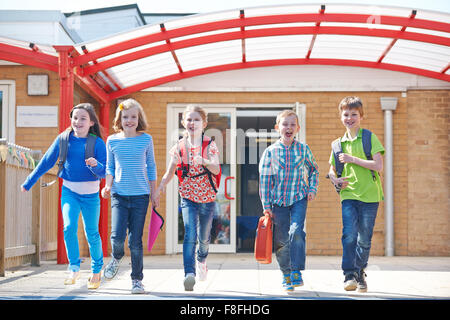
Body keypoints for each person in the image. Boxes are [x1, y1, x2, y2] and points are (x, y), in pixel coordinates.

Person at [21, 103, 106, 289]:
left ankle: (96, 271)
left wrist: (96, 166)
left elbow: (105, 172)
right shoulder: (63, 140)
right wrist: (29, 181)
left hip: (91, 195)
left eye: (83, 118)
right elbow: (45, 163)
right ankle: (74, 267)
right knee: (68, 227)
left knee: (91, 233)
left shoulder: (97, 143)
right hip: (70, 192)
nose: (77, 122)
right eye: (75, 118)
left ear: (91, 122)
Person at [155, 104, 220, 291]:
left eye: (196, 119)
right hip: (188, 197)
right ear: (184, 122)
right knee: (190, 234)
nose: (192, 123)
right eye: (189, 119)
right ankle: (189, 273)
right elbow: (169, 173)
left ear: (204, 123)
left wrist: (205, 161)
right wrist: (160, 186)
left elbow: (216, 168)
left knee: (204, 238)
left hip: (207, 197)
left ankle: (201, 260)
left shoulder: (209, 144)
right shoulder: (179, 147)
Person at [327, 96, 384, 293]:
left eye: (354, 114)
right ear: (341, 116)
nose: (349, 118)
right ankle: (349, 274)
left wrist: (353, 159)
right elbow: (332, 170)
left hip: (370, 196)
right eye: (346, 114)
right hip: (349, 194)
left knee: (364, 238)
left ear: (361, 116)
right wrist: (335, 179)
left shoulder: (369, 138)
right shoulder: (337, 144)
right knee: (349, 234)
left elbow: (378, 166)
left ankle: (360, 272)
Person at [101, 98, 158, 294]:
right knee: (117, 236)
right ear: (120, 118)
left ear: (139, 118)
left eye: (133, 116)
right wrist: (107, 186)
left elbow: (151, 167)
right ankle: (116, 257)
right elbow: (109, 167)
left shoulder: (146, 139)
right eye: (125, 117)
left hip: (141, 196)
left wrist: (154, 192)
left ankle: (137, 280)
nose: (129, 120)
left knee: (135, 241)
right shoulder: (112, 140)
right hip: (119, 195)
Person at [258, 110, 319, 292]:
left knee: (296, 232)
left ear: (298, 128)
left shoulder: (303, 149)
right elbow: (265, 181)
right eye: (285, 124)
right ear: (277, 128)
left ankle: (296, 271)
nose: (289, 127)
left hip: (299, 197)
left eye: (293, 124)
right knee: (281, 240)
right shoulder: (270, 152)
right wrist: (267, 206)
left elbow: (314, 170)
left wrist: (312, 188)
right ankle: (286, 274)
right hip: (278, 203)